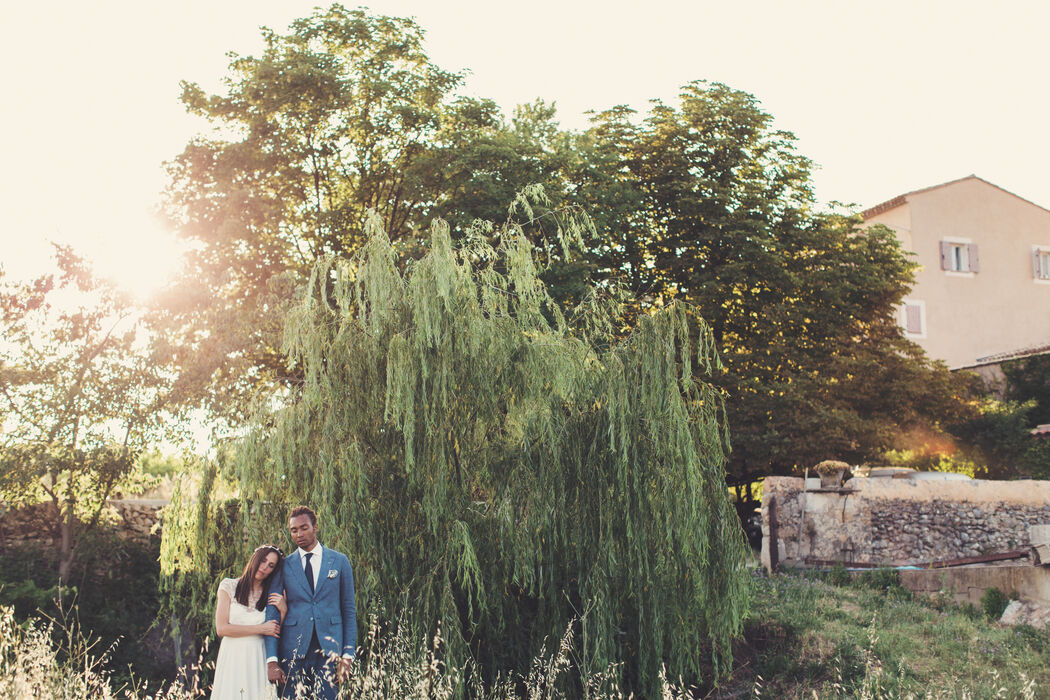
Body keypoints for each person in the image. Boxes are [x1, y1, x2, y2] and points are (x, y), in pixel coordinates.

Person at [264, 506, 356, 700]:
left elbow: (348, 611)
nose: (299, 534)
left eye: (304, 528)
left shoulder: (339, 561)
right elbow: (271, 615)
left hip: (329, 651)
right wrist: (271, 660)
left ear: (315, 527)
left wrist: (348, 655)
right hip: (293, 651)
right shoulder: (284, 565)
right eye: (293, 530)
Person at [211, 544, 287, 700]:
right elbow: (222, 629)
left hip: (258, 655)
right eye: (263, 560)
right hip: (233, 654)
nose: (264, 567)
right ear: (255, 559)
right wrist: (261, 629)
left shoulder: (272, 595)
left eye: (271, 565)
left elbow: (275, 631)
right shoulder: (228, 586)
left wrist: (284, 610)